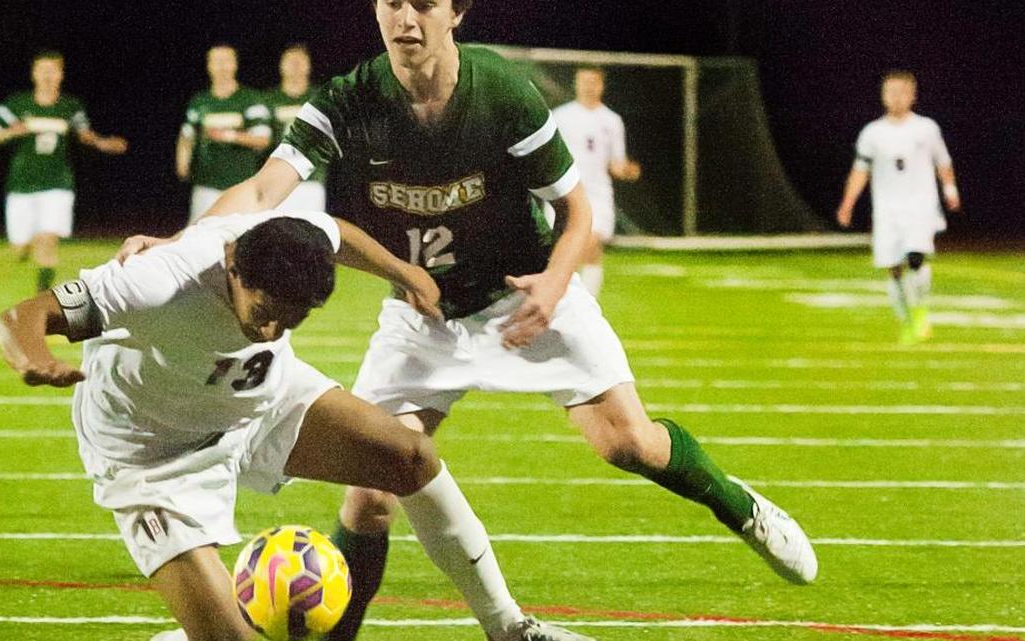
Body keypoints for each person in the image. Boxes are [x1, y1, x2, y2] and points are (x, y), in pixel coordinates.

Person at [118, 1, 818, 639]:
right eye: (391, 2)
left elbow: (579, 214)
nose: (405, 18)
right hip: (422, 317)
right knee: (369, 496)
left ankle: (741, 505)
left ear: (456, 12)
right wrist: (179, 243)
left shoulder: (504, 94)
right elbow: (266, 188)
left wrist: (554, 282)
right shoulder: (349, 99)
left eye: (423, 3)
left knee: (628, 442)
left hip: (523, 295)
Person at [0, 210, 581, 641]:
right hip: (153, 459)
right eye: (263, 312)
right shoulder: (155, 281)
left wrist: (403, 271)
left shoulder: (286, 237)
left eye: (292, 319)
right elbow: (23, 315)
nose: (274, 329)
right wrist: (34, 358)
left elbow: (335, 231)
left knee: (410, 458)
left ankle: (509, 628)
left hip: (259, 403)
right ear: (231, 265)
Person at [836, 70, 961, 344]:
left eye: (902, 92)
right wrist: (848, 203)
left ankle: (921, 312)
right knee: (894, 268)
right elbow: (861, 170)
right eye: (891, 92)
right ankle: (906, 322)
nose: (896, 97)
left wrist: (950, 190)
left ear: (913, 95)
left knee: (916, 257)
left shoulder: (926, 128)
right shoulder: (872, 133)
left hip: (920, 205)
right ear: (883, 96)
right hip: (887, 210)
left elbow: (943, 162)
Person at [0, 50, 128, 292]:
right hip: (21, 184)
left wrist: (104, 143)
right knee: (19, 247)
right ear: (34, 73)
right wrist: (13, 132)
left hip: (57, 184)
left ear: (61, 75)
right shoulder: (17, 105)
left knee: (48, 239)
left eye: (52, 70)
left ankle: (41, 299)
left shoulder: (70, 107)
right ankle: (25, 248)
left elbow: (85, 135)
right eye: (42, 70)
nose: (47, 76)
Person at [549, 66, 641, 296]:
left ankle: (588, 303)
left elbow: (616, 165)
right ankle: (562, 301)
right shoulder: (560, 116)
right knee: (561, 251)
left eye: (593, 82)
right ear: (576, 83)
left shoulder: (611, 120)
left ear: (601, 85)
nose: (588, 86)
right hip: (564, 191)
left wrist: (628, 170)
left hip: (598, 193)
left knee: (591, 246)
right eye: (584, 81)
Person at [177, 45, 272, 222]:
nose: (221, 66)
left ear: (235, 65)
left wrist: (229, 136)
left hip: (240, 185)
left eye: (226, 61)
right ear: (208, 65)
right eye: (216, 61)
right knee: (199, 236)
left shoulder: (250, 99)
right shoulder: (200, 101)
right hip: (206, 183)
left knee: (240, 240)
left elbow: (263, 139)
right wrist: (182, 161)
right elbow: (187, 135)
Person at [262, 43, 328, 213]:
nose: (295, 66)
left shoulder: (321, 97)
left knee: (310, 237)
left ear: (309, 66)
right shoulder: (268, 99)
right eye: (290, 61)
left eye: (300, 61)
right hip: (277, 182)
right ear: (281, 65)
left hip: (311, 181)